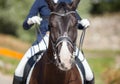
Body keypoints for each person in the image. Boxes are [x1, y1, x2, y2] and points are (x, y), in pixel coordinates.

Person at [13, 0, 94, 84]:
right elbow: (25, 25)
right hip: (44, 40)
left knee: (89, 75)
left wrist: (82, 23)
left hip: (65, 40)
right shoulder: (40, 1)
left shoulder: (67, 2)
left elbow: (74, 21)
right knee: (18, 71)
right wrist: (30, 20)